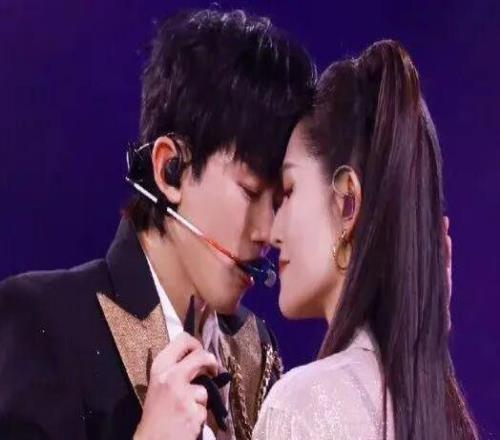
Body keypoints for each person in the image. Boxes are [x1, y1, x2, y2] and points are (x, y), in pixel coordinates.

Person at [0, 9, 315, 440]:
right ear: (170, 169)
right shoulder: (43, 319)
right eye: (250, 191)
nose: (268, 232)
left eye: (278, 202)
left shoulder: (257, 351)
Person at [252, 40, 477, 439]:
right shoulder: (446, 416)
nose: (272, 232)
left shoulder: (300, 407)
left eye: (288, 191)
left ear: (347, 202)